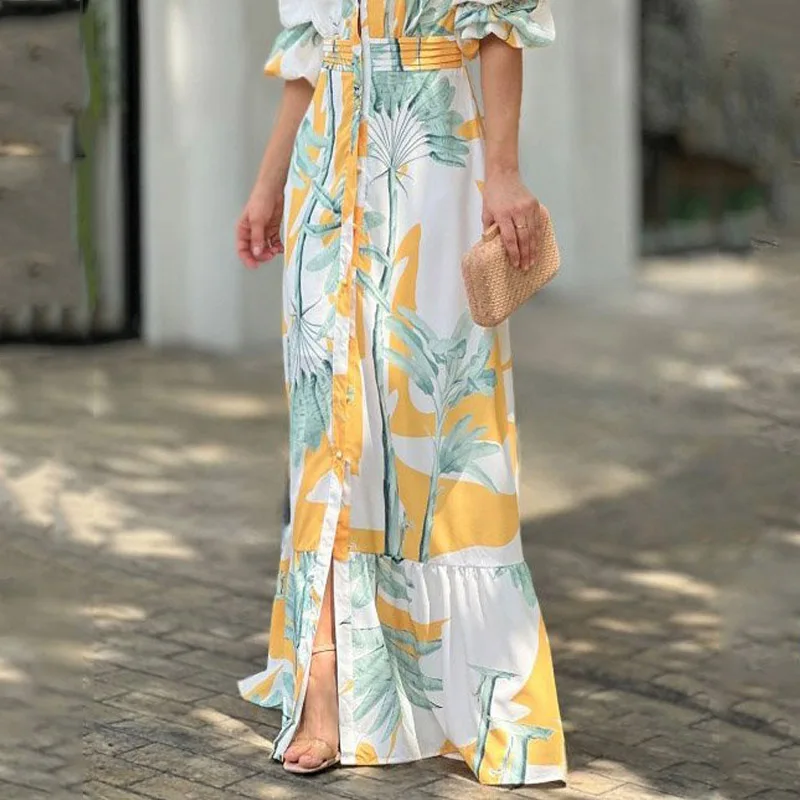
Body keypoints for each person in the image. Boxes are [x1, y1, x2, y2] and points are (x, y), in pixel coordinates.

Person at [236, 0, 566, 786]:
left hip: (432, 172)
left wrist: (504, 172)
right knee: (324, 424)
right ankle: (323, 687)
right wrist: (268, 185)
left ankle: (470, 691)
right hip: (324, 177)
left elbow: (499, 27)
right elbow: (310, 55)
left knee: (437, 417)